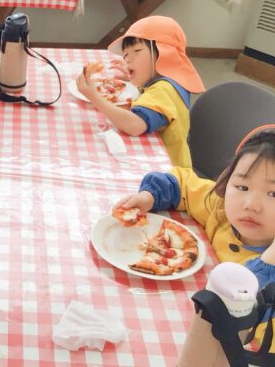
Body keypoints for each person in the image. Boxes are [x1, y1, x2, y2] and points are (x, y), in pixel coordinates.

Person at [114, 125, 275, 348]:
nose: (251, 205)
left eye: (273, 193)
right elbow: (183, 183)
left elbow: (252, 326)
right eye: (242, 187)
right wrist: (149, 196)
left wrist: (268, 263)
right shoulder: (219, 207)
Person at [76, 16, 205, 168]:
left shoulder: (164, 90)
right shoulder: (170, 79)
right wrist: (133, 76)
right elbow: (150, 96)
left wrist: (95, 98)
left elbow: (135, 125)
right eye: (126, 55)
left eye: (137, 51)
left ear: (165, 53)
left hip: (168, 173)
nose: (128, 60)